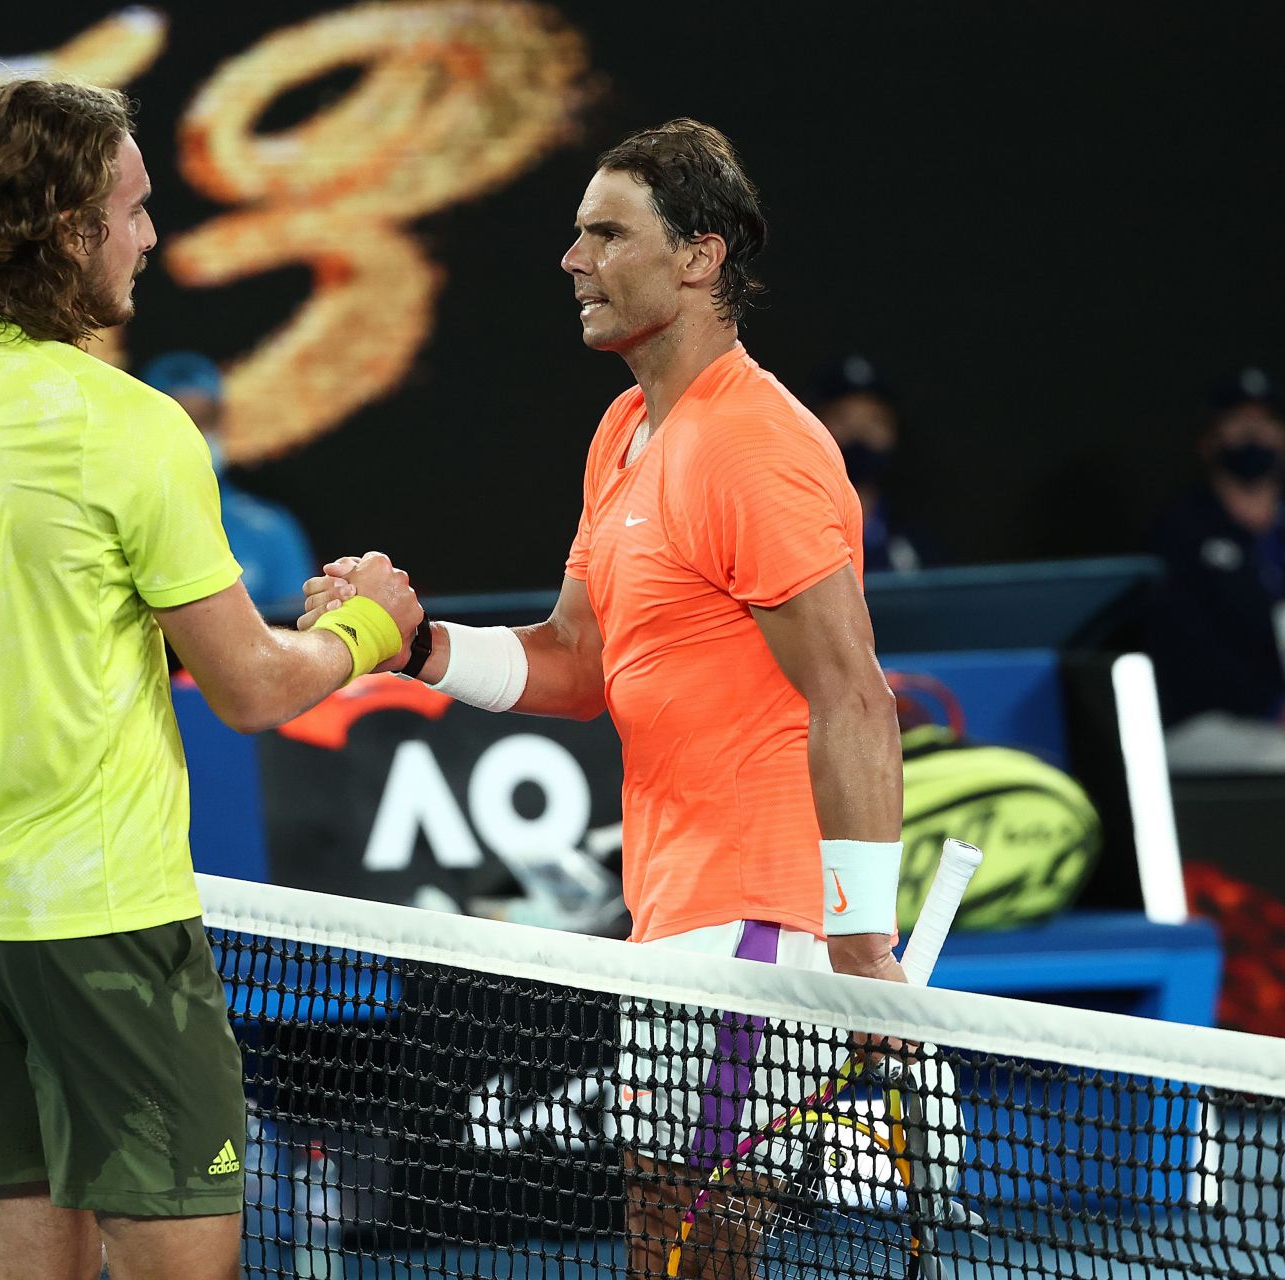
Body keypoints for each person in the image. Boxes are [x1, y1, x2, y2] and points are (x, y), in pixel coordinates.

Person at [0, 79, 419, 1280]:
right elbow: (249, 688)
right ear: (69, 229)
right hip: (104, 935)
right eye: (131, 211)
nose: (150, 236)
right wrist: (369, 634)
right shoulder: (128, 429)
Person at [303, 118, 906, 1279]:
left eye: (606, 233)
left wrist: (861, 939)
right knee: (662, 1240)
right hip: (673, 920)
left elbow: (855, 695)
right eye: (578, 235)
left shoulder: (756, 447)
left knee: (697, 1249)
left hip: (757, 926)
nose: (572, 260)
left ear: (700, 257)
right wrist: (418, 645)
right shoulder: (626, 431)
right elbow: (578, 662)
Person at [1149, 366, 1285, 772]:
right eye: (1239, 422)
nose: (1254, 434)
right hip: (1211, 721)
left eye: (1266, 422)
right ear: (1209, 439)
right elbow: (1189, 654)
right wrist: (1279, 707)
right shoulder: (1179, 534)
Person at [138, 351, 317, 610]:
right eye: (179, 419)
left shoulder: (271, 530)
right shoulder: (117, 523)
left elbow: (295, 625)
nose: (194, 435)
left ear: (222, 423)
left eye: (204, 420)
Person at [816, 354, 940, 573]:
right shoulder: (794, 531)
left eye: (875, 420)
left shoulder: (917, 539)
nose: (858, 433)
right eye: (841, 418)